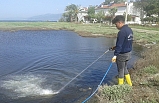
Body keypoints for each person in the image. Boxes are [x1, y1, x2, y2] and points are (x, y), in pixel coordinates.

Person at [110, 15, 133, 86]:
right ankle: (130, 84)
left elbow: (120, 45)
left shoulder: (121, 32)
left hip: (122, 55)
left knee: (120, 71)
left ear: (119, 22)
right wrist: (115, 47)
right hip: (128, 53)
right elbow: (126, 42)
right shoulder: (129, 30)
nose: (116, 26)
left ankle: (120, 87)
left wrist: (115, 55)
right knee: (125, 69)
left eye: (116, 24)